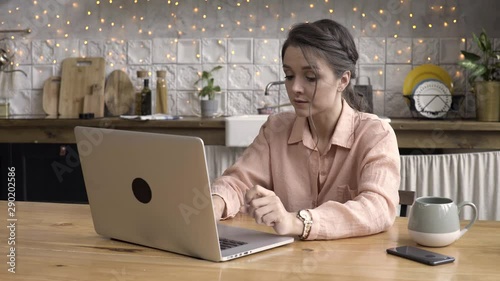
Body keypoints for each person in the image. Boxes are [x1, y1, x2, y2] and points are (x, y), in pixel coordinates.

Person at [211, 19, 400, 240]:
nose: (295, 88)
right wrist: (215, 204)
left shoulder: (376, 135)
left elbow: (378, 208)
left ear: (343, 80)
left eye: (310, 77)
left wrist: (297, 221)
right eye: (289, 76)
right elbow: (237, 183)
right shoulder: (276, 128)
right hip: (285, 266)